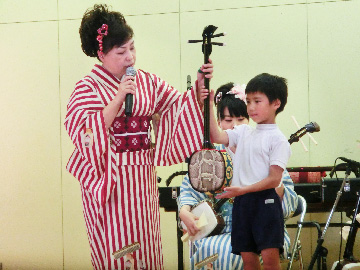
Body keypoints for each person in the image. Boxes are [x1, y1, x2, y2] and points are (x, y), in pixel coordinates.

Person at [64, 4, 212, 270]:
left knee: (147, 244)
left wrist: (199, 86)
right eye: (121, 52)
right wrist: (119, 97)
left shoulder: (148, 82)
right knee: (117, 248)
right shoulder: (87, 87)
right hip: (110, 181)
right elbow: (83, 134)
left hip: (142, 178)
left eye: (132, 48)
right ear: (101, 53)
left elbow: (175, 109)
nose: (130, 57)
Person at [178, 82, 297, 269]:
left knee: (243, 254)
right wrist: (184, 211)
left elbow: (288, 200)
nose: (234, 126)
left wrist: (275, 187)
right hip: (218, 231)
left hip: (263, 222)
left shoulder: (267, 143)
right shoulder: (210, 157)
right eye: (227, 120)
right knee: (226, 250)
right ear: (218, 122)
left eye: (241, 119)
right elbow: (188, 189)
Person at [209, 74, 291, 270]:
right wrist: (206, 106)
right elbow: (216, 135)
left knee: (270, 262)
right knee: (248, 260)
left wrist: (243, 190)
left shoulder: (278, 140)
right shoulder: (244, 132)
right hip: (242, 204)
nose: (251, 107)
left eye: (257, 101)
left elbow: (274, 179)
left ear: (276, 103)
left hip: (266, 204)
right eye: (248, 101)